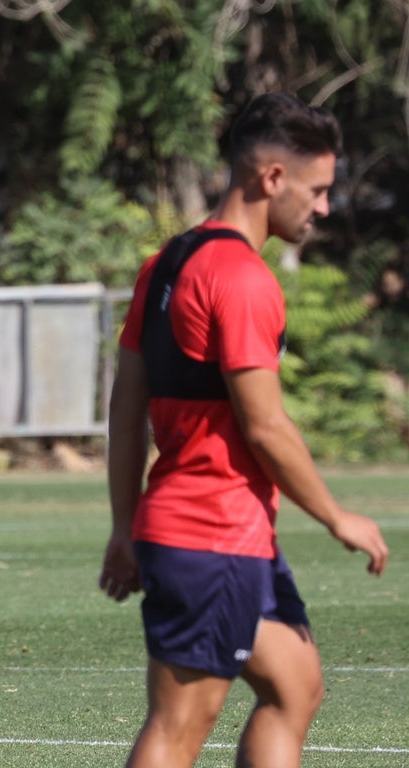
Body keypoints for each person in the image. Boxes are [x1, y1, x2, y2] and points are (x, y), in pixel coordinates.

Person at [99, 92, 390, 768]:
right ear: (272, 179)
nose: (323, 208)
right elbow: (265, 425)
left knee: (297, 687)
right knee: (177, 727)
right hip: (212, 537)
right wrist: (336, 516)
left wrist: (125, 524)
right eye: (317, 191)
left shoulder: (166, 263)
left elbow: (125, 408)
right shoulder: (243, 278)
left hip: (213, 533)